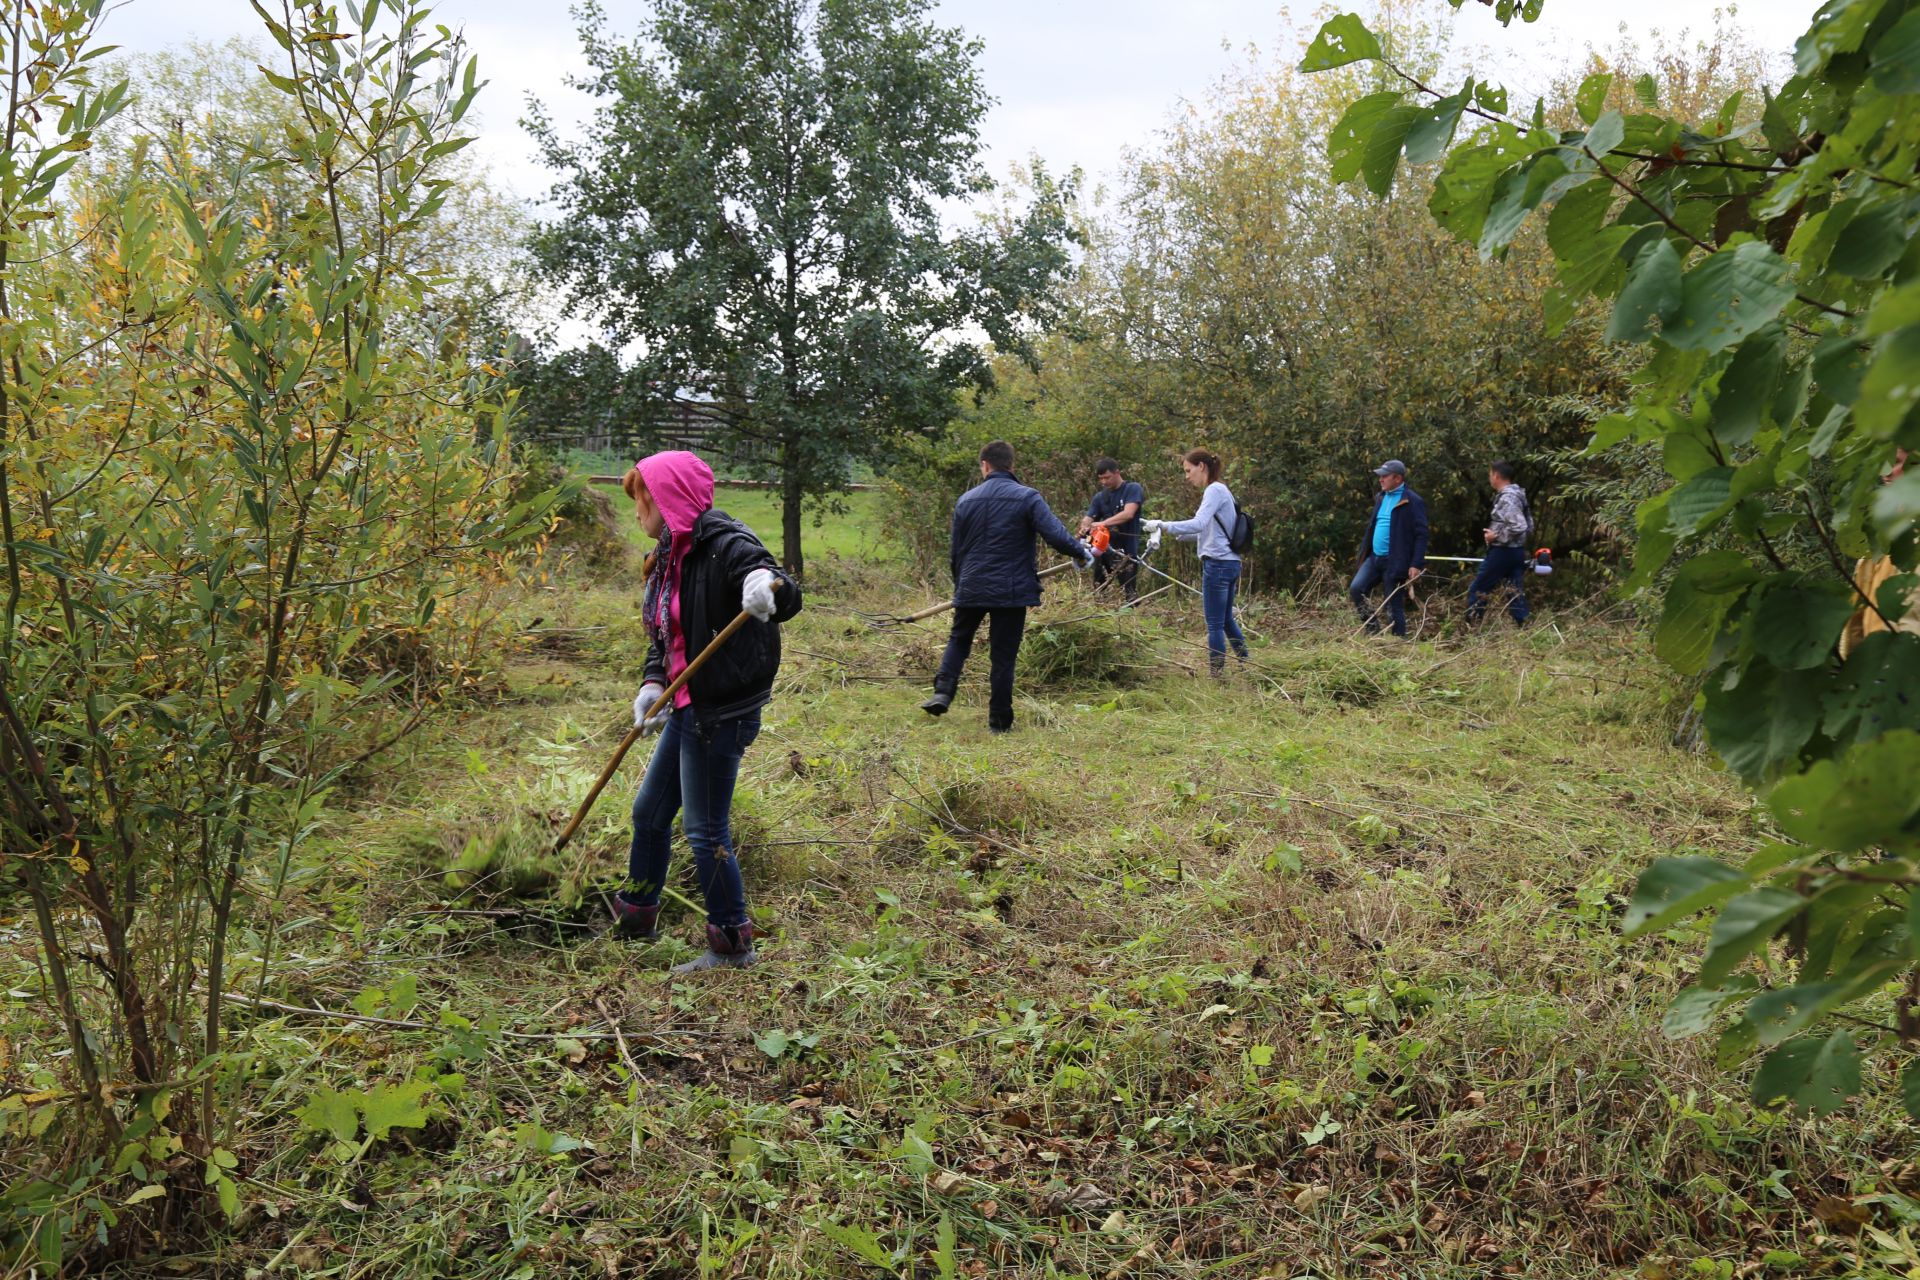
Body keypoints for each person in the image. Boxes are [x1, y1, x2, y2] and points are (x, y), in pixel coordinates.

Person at [613, 450, 803, 973]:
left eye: (641, 499)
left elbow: (782, 589)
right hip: (686, 705)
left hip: (721, 713)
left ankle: (732, 945)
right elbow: (668, 633)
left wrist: (768, 589)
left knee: (705, 829)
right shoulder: (671, 552)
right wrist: (655, 683)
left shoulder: (725, 545)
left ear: (667, 498)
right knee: (648, 814)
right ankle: (635, 916)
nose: (636, 512)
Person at [922, 440, 1093, 732]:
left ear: (984, 465)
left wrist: (959, 586)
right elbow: (1055, 534)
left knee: (959, 640)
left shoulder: (966, 500)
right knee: (1002, 656)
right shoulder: (1027, 497)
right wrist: (1081, 553)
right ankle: (999, 722)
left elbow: (956, 552)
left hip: (971, 584)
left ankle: (943, 691)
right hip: (1010, 590)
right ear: (1012, 466)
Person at [1140, 448, 1250, 675]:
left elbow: (1199, 523)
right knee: (1226, 619)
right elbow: (1210, 530)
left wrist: (1164, 525)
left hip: (1218, 565)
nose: (1187, 476)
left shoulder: (1214, 490)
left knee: (1215, 625)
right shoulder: (1223, 491)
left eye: (1188, 470)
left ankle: (1217, 676)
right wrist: (1179, 535)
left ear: (1202, 466)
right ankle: (1246, 663)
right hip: (1230, 563)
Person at [1349, 459, 1429, 638]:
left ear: (1398, 479)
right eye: (1380, 476)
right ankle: (1373, 632)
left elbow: (1422, 535)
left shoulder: (1412, 501)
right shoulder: (1381, 497)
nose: (1380, 479)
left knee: (1393, 605)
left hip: (1395, 561)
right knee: (1356, 589)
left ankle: (1398, 642)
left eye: (1385, 476)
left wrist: (1416, 564)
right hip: (1374, 558)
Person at [1465, 460, 1533, 626]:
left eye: (1490, 475)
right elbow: (1529, 526)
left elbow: (1520, 526)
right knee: (1515, 594)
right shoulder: (1518, 495)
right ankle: (1526, 628)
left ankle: (1470, 628)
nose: (1490, 478)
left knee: (1478, 590)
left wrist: (1496, 536)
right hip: (1516, 552)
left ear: (1496, 476)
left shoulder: (1508, 498)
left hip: (1503, 552)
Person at [1077, 458, 1144, 600]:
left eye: (1107, 477)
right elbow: (1089, 516)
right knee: (1099, 590)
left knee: (1129, 593)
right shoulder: (1100, 497)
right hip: (1103, 549)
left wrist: (1103, 524)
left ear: (1117, 473)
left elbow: (1128, 513)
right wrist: (1085, 526)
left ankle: (1131, 617)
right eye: (1100, 479)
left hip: (1127, 550)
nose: (1104, 482)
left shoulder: (1132, 489)